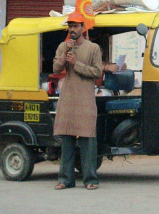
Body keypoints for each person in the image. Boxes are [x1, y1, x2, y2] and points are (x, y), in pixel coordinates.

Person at [53, 13, 103, 191]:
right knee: (66, 138)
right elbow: (56, 68)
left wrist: (76, 64)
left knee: (87, 139)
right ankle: (65, 179)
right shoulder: (63, 46)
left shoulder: (93, 48)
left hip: (85, 98)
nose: (72, 29)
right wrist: (65, 52)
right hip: (67, 97)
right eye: (70, 26)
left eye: (76, 26)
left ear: (83, 27)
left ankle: (90, 179)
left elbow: (97, 72)